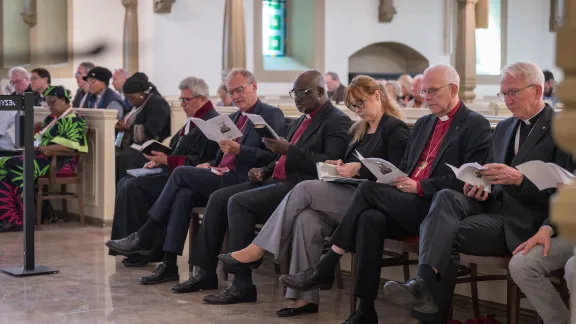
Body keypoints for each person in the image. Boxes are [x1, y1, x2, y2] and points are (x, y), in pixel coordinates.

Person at [281, 64, 493, 324]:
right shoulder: (425, 123)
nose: (426, 97)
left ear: (454, 89)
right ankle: (365, 309)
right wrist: (393, 177)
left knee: (368, 190)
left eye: (432, 91)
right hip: (408, 200)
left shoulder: (475, 124)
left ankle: (328, 263)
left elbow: (469, 178)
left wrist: (420, 186)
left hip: (437, 207)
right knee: (370, 218)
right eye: (424, 91)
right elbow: (405, 166)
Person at [382, 61, 575, 324]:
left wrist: (520, 181)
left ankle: (427, 308)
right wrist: (481, 186)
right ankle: (424, 286)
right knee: (446, 197)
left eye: (513, 93)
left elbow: (565, 190)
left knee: (444, 235)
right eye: (504, 94)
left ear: (538, 91)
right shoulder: (506, 127)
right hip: (495, 210)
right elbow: (493, 175)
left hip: (530, 221)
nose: (508, 100)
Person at [219, 75, 410, 317]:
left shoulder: (394, 128)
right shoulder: (360, 129)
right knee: (307, 219)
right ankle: (303, 299)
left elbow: (398, 172)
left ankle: (258, 249)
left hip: (373, 202)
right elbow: (350, 165)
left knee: (304, 188)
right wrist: (338, 166)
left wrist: (358, 169)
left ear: (377, 95)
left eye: (360, 103)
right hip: (348, 192)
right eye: (353, 106)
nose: (357, 110)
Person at [185, 69, 351, 306]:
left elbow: (329, 164)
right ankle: (205, 273)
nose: (297, 99)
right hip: (276, 180)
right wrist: (265, 170)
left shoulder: (336, 120)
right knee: (220, 197)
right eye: (294, 94)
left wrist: (287, 151)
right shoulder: (303, 119)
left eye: (302, 94)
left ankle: (241, 285)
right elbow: (280, 157)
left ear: (321, 91)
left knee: (239, 202)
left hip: (300, 187)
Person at [105, 68, 285, 285]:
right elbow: (220, 154)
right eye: (231, 91)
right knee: (184, 194)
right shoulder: (234, 116)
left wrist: (240, 151)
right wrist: (209, 164)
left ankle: (144, 234)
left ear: (254, 86)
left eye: (240, 90)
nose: (236, 96)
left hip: (243, 178)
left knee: (180, 173)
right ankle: (170, 265)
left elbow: (273, 157)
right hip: (220, 173)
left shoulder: (271, 114)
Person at [110, 76, 220, 267]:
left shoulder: (211, 121)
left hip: (190, 178)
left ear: (202, 98)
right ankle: (132, 245)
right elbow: (179, 149)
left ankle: (144, 248)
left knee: (134, 187)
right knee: (125, 182)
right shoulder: (193, 120)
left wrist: (167, 161)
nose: (183, 105)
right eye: (181, 100)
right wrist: (160, 160)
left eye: (187, 100)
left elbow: (201, 160)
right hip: (173, 172)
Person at [0, 86, 87, 232]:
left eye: (52, 103)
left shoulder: (74, 120)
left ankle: (26, 218)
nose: (50, 107)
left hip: (59, 162)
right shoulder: (51, 119)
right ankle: (9, 216)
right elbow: (38, 139)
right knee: (3, 164)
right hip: (40, 157)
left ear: (64, 100)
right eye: (48, 103)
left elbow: (75, 146)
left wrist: (45, 149)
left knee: (15, 166)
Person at [114, 72, 171, 183]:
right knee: (116, 155)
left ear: (141, 94)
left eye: (131, 98)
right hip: (137, 145)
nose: (130, 101)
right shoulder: (139, 103)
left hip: (152, 147)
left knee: (125, 157)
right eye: (127, 98)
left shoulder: (157, 103)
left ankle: (126, 190)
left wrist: (127, 128)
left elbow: (153, 130)